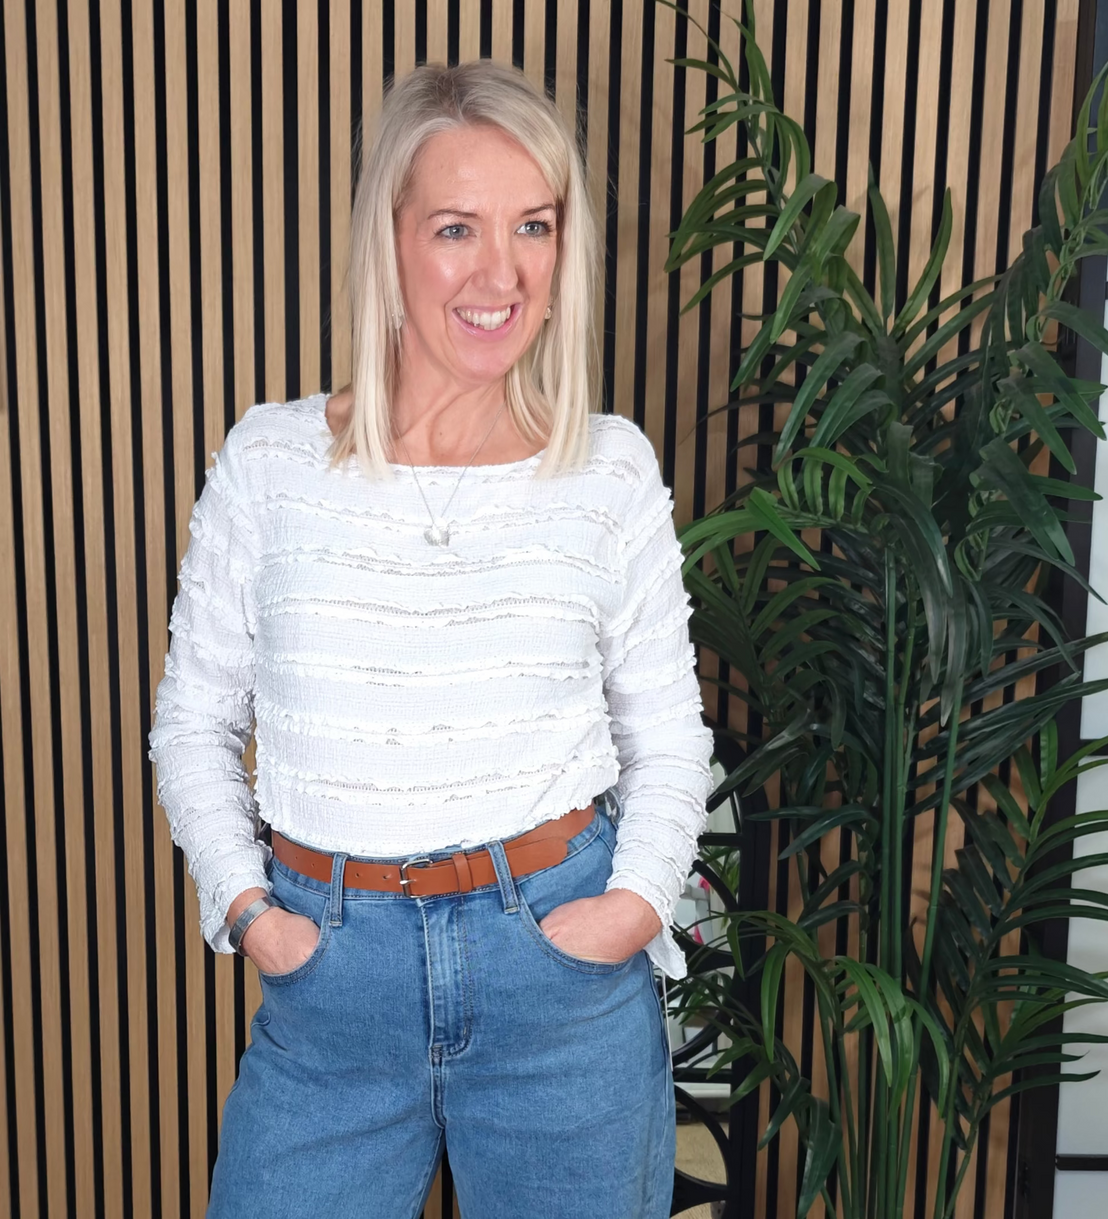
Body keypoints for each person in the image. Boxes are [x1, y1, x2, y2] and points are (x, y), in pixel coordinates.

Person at [147, 58, 715, 1219]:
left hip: (559, 980)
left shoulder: (608, 470)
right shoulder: (272, 463)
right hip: (333, 981)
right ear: (390, 244)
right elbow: (192, 724)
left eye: (534, 227)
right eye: (457, 228)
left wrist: (632, 909)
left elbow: (668, 733)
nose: (498, 274)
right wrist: (251, 913)